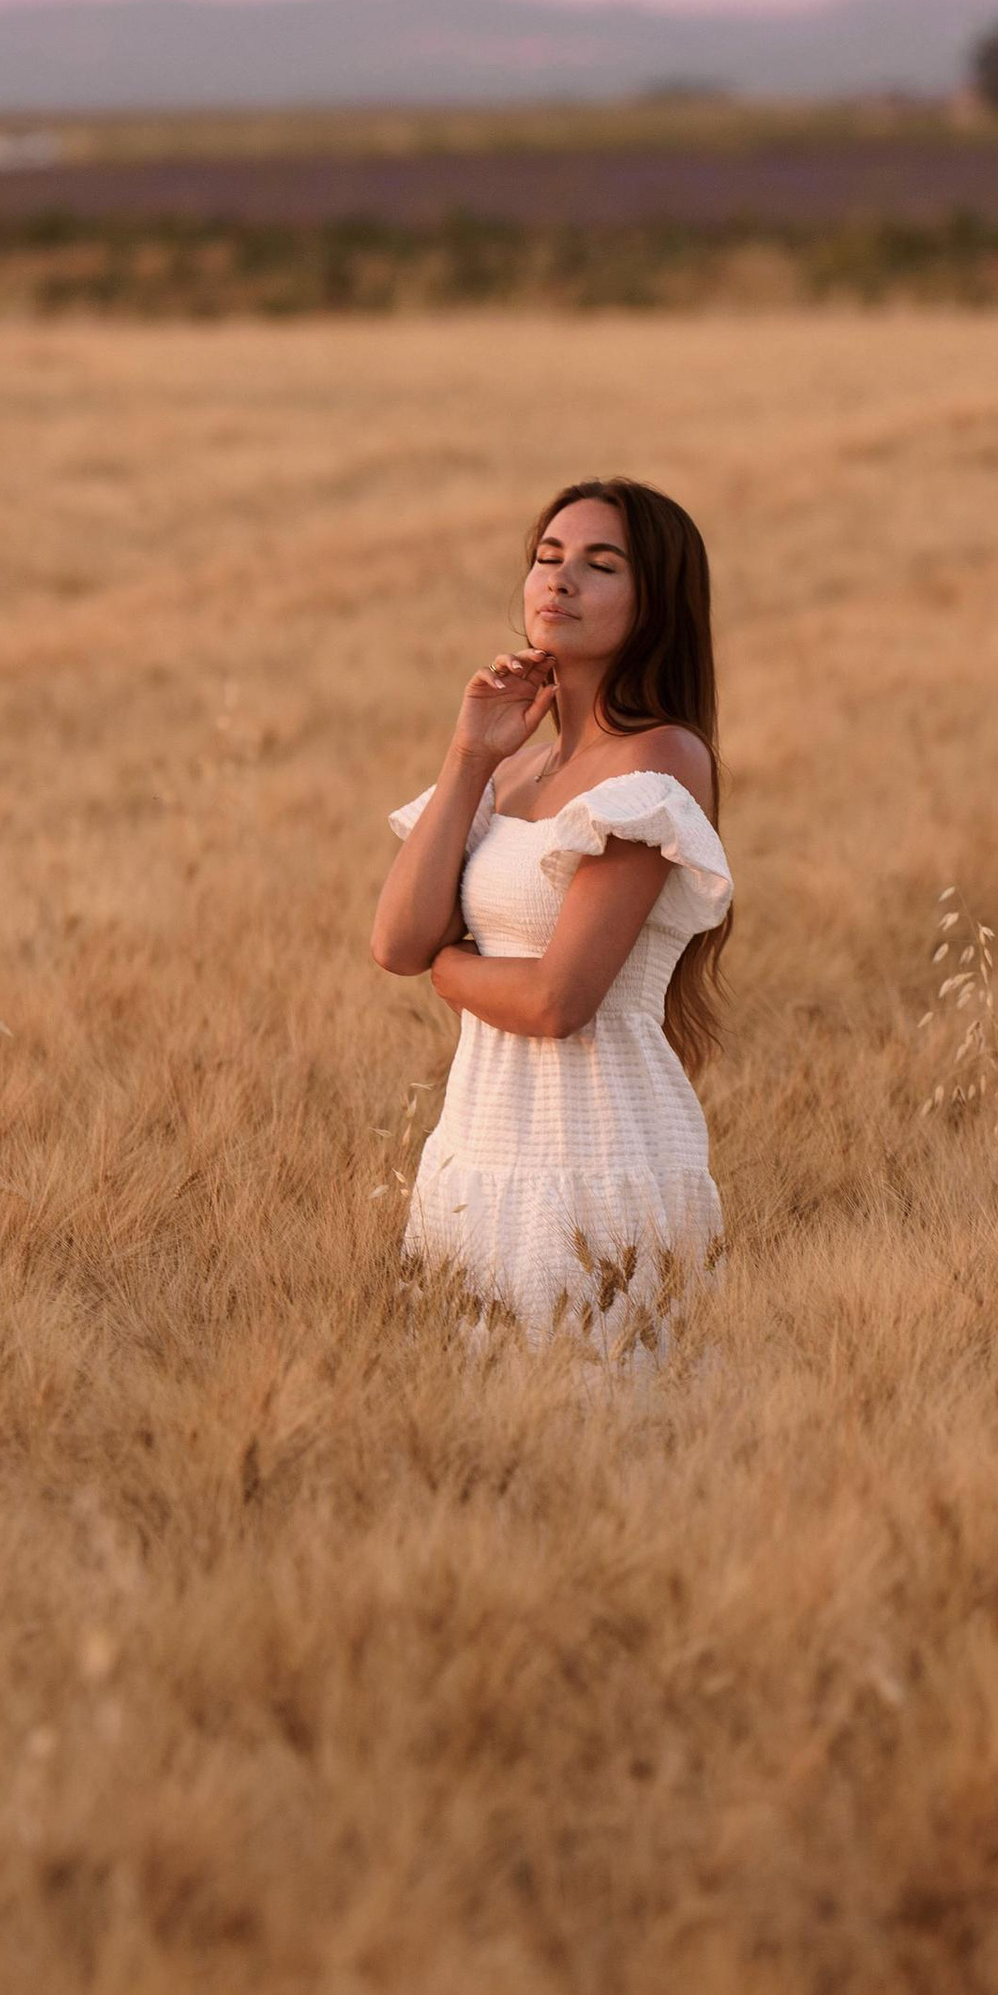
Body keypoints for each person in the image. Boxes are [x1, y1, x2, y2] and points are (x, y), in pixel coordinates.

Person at [371, 478, 732, 1360]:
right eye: (548, 558)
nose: (561, 581)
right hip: (479, 1147)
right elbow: (394, 942)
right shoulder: (510, 772)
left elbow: (555, 1000)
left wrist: (451, 971)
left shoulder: (659, 761)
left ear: (654, 607)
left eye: (600, 565)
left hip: (601, 1155)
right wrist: (468, 755)